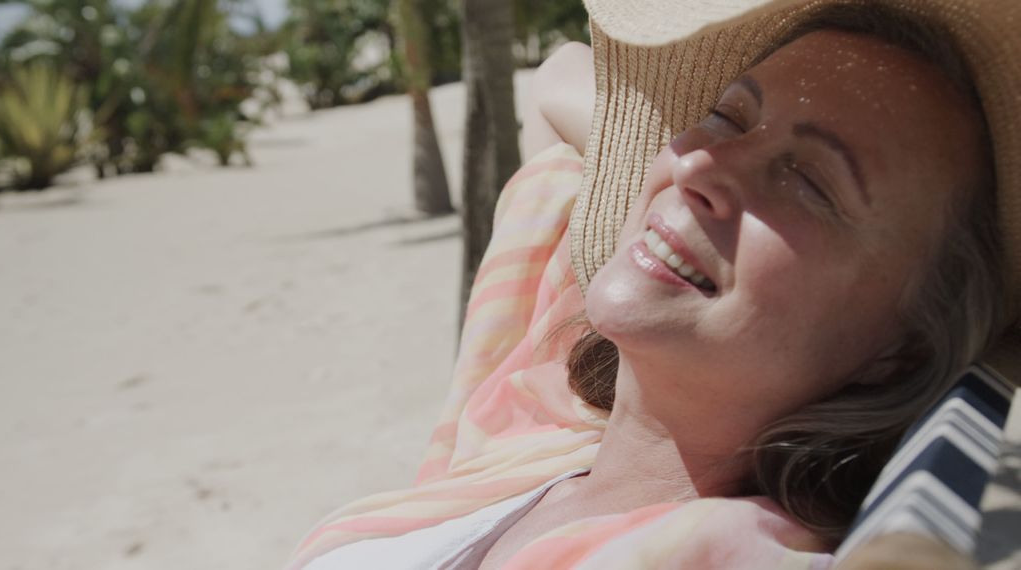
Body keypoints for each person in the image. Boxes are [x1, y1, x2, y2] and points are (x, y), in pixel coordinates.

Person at [287, 0, 1019, 568]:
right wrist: (650, 166)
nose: (699, 165)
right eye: (726, 116)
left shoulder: (737, 551)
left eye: (809, 182)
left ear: (905, 349)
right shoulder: (539, 402)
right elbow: (556, 77)